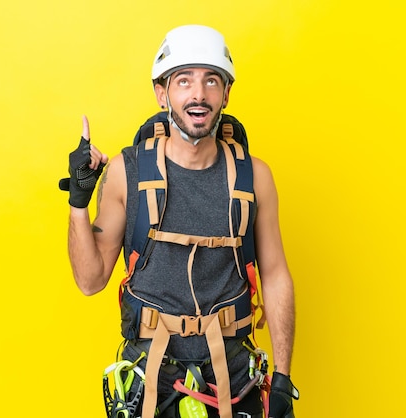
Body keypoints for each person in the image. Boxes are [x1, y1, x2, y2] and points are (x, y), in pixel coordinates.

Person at [64, 25, 298, 418]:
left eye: (211, 80)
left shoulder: (255, 177)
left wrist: (283, 378)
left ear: (226, 93)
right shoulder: (128, 172)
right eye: (183, 80)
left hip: (235, 385)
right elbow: (90, 281)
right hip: (148, 385)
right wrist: (78, 201)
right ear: (162, 93)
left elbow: (275, 275)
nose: (198, 94)